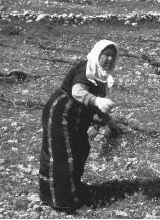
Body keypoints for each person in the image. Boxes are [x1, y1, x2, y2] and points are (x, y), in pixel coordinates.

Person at [39, 39, 123, 213]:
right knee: (64, 155)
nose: (109, 59)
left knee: (80, 150)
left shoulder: (100, 75)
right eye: (106, 54)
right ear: (97, 54)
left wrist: (108, 120)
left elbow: (97, 104)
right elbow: (78, 92)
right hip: (61, 114)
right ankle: (64, 202)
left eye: (112, 56)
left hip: (75, 119)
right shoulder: (87, 68)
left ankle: (72, 187)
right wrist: (97, 100)